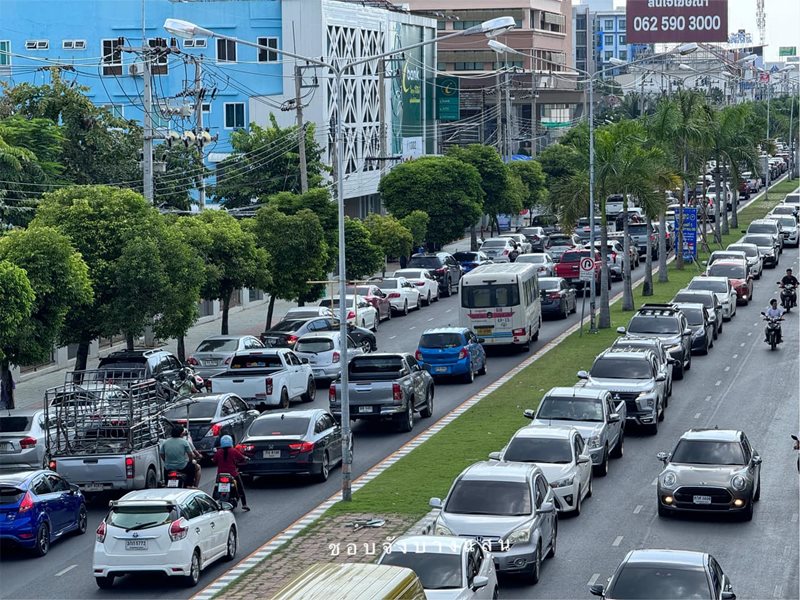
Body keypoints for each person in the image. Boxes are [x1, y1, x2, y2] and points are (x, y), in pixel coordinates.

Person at [212, 435, 250, 511]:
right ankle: (244, 504)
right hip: (232, 474)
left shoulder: (219, 452)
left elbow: (214, 461)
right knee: (240, 488)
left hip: (220, 475)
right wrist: (246, 458)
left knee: (216, 488)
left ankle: (212, 504)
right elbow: (242, 458)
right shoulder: (233, 451)